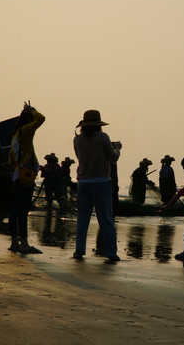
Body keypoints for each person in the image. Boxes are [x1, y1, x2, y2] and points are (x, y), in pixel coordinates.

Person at [73, 109, 122, 261]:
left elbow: (80, 157)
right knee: (106, 219)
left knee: (82, 219)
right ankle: (111, 252)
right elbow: (113, 158)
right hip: (101, 183)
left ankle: (79, 250)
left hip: (83, 183)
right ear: (98, 124)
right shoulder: (103, 137)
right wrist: (118, 149)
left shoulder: (77, 140)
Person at [7, 100, 45, 254]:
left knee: (14, 211)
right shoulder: (26, 131)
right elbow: (41, 119)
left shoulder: (16, 135)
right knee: (23, 211)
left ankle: (15, 243)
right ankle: (24, 244)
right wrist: (32, 110)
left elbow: (10, 161)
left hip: (16, 175)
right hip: (26, 177)